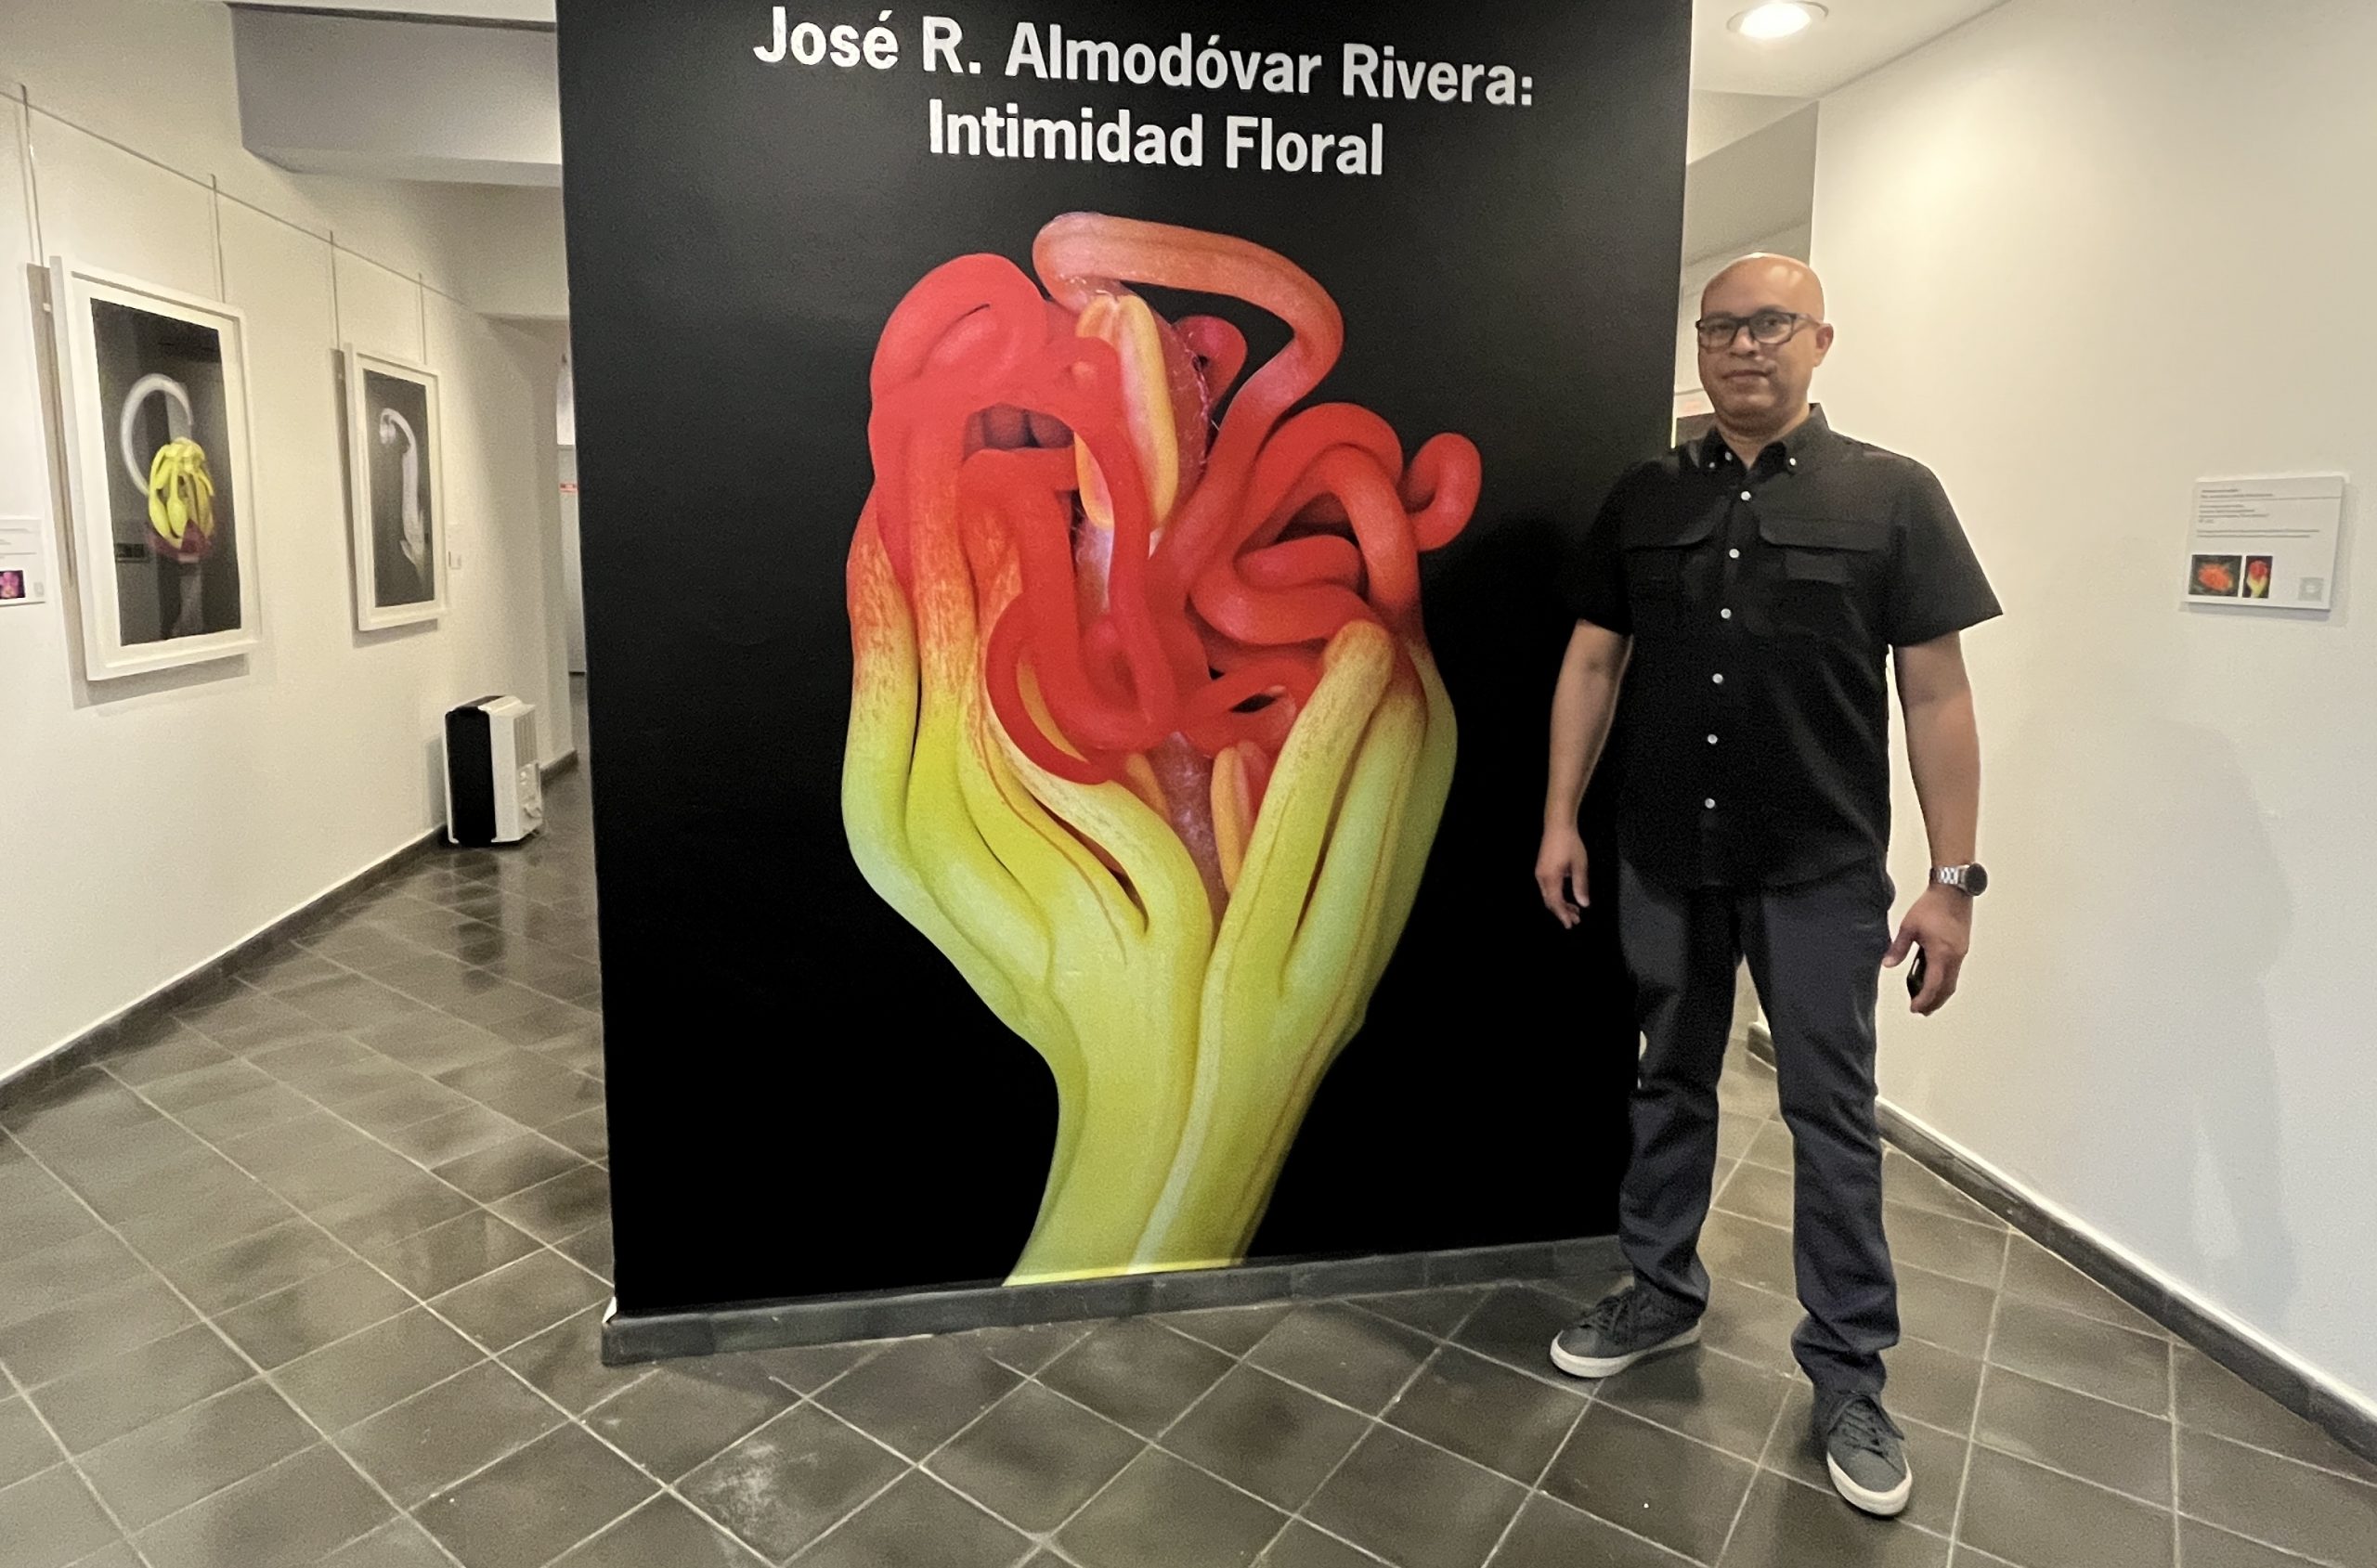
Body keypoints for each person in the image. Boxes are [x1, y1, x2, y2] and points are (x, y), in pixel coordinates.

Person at [1534, 254, 1999, 1518]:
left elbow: (1937, 693)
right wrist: (1561, 816)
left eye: (1771, 324)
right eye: (1721, 328)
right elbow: (1593, 661)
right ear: (1699, 345)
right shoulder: (1646, 495)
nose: (1744, 346)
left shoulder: (1893, 495)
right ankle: (1661, 1291)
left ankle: (1849, 1374)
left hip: (1819, 869)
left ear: (1820, 340)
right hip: (1664, 856)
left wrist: (1952, 880)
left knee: (1829, 1114)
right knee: (1669, 1080)